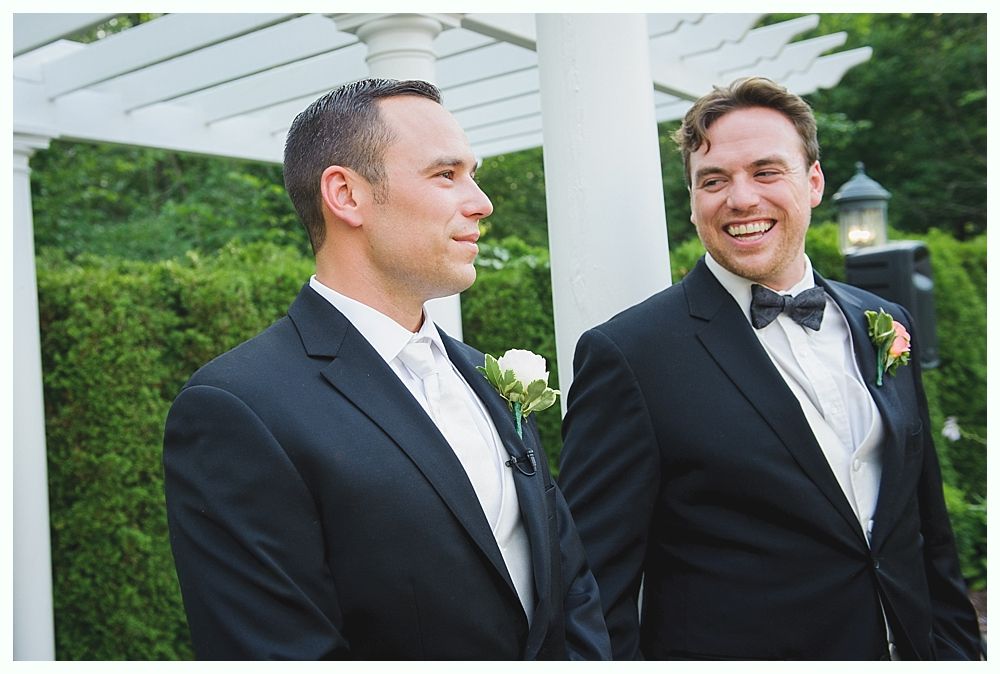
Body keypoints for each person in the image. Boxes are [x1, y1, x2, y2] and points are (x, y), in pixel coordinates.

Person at [163, 78, 611, 661]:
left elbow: (568, 581)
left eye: (472, 175)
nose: (481, 202)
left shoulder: (485, 375)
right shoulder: (237, 407)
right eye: (445, 175)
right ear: (345, 194)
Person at [557, 76, 981, 660]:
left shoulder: (882, 322)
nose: (741, 198)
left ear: (813, 182)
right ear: (692, 199)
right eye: (713, 180)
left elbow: (926, 530)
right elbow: (592, 581)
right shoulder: (629, 354)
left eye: (765, 171)